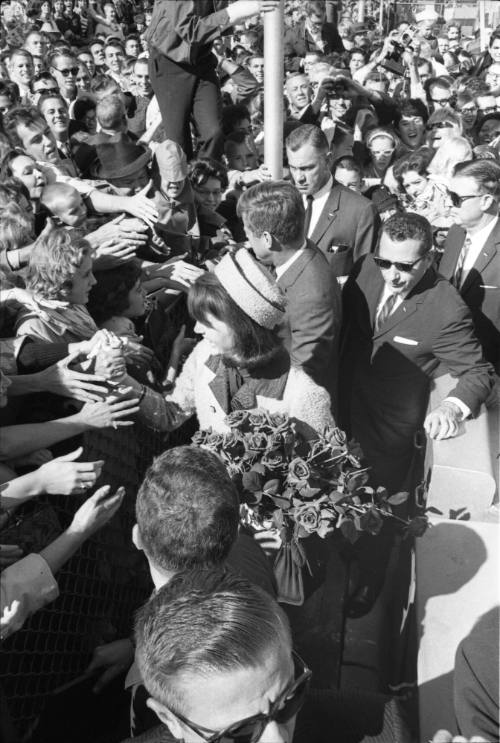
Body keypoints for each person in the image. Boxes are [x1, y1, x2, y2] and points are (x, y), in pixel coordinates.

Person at [85, 445, 276, 735]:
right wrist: (134, 645)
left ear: (137, 538)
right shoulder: (249, 551)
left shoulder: (156, 684)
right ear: (233, 531)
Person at [130, 568, 411, 743]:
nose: (276, 739)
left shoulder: (383, 726)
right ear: (170, 721)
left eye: (290, 697)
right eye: (238, 733)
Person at [340, 212, 494, 494]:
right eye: (384, 262)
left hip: (387, 434)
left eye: (405, 266)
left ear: (429, 259)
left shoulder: (446, 308)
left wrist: (450, 407)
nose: (392, 275)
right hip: (341, 412)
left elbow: (478, 372)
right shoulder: (365, 267)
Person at [237, 180, 341, 400]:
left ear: (268, 239)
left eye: (248, 233)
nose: (246, 239)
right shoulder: (299, 249)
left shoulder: (312, 295)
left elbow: (303, 375)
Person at [145, 0, 280, 161]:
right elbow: (190, 31)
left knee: (214, 133)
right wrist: (236, 12)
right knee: (179, 142)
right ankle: (185, 181)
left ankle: (205, 176)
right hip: (170, 63)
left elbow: (218, 21)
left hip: (202, 60)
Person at [285, 124, 379, 283]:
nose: (299, 177)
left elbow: (366, 281)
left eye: (307, 168)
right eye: (293, 168)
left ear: (328, 160)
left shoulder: (360, 211)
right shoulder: (283, 202)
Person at [439, 159, 500, 373]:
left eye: (456, 198)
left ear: (485, 201)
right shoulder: (456, 233)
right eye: (448, 194)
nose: (447, 203)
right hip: (446, 365)